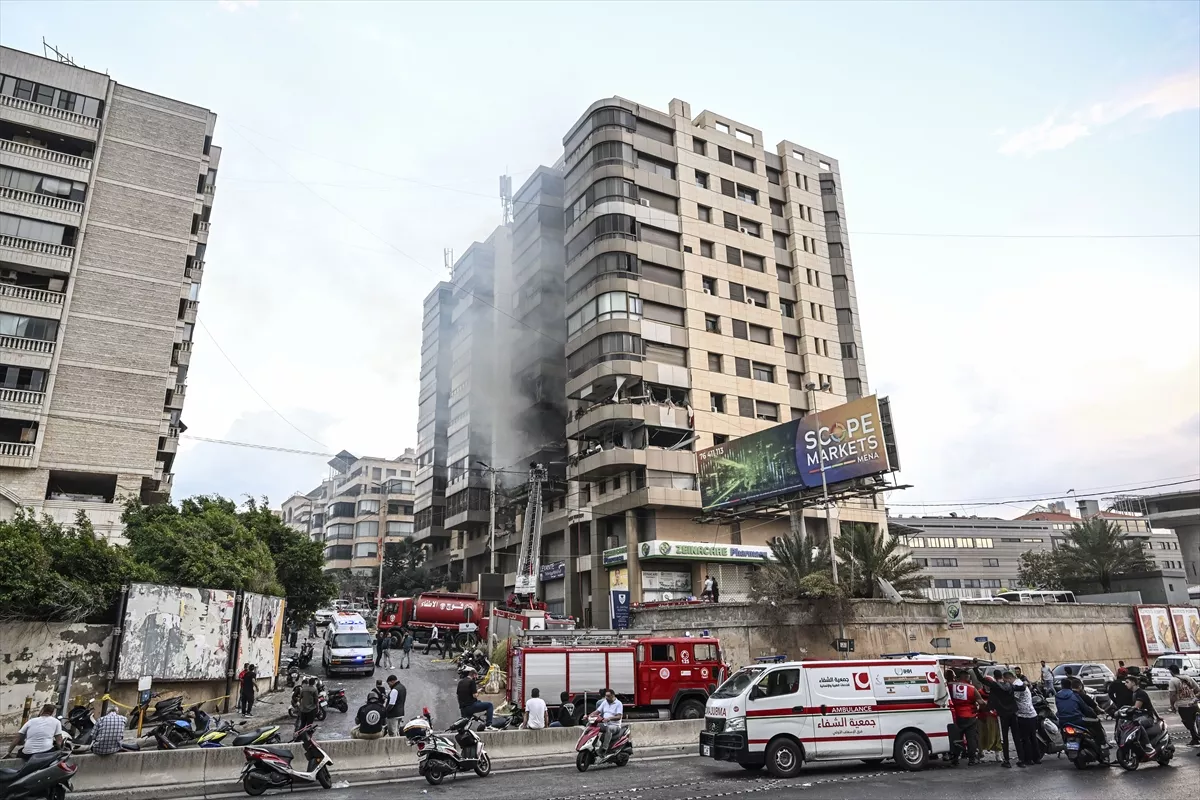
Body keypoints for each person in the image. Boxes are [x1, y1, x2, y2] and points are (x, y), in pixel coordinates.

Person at [976, 667, 1021, 767]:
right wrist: (1025, 683)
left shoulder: (995, 685)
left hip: (1003, 714)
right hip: (1013, 713)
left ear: (995, 677)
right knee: (1016, 737)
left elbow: (981, 679)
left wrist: (975, 668)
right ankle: (1021, 760)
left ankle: (1007, 761)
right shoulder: (1009, 685)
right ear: (1002, 676)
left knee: (1004, 738)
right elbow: (1022, 687)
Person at [947, 669, 981, 765]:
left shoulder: (950, 686)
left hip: (956, 716)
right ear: (966, 677)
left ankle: (955, 758)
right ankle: (972, 760)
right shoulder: (971, 688)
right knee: (971, 739)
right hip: (970, 716)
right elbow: (981, 702)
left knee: (957, 738)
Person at [1125, 674, 1162, 756]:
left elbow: (1136, 707)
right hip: (1140, 717)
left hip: (1147, 718)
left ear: (1133, 683)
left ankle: (1148, 745)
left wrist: (1157, 717)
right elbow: (1151, 706)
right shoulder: (1134, 693)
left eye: (1127, 682)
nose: (1125, 684)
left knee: (1137, 723)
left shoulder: (1140, 693)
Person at [1167, 664, 1199, 746]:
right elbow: (1197, 689)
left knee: (1188, 723)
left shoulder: (1173, 680)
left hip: (1183, 705)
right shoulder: (1187, 678)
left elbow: (1172, 695)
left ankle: (1195, 738)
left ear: (1171, 671)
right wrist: (1194, 698)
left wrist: (1172, 705)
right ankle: (1195, 738)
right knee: (1196, 722)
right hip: (1194, 704)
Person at [1012, 675, 1040, 765]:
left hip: (1023, 715)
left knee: (1025, 739)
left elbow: (1014, 699)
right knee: (1033, 737)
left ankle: (1028, 759)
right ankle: (1037, 758)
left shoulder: (1016, 685)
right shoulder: (1021, 683)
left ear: (1009, 679)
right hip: (1032, 714)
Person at [596, 688, 624, 755]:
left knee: (609, 728)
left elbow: (619, 716)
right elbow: (597, 711)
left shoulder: (618, 704)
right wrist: (589, 716)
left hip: (615, 726)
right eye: (606, 696)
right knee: (591, 725)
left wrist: (609, 718)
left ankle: (604, 749)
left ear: (613, 696)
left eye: (608, 696)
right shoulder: (605, 702)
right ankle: (592, 744)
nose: (606, 698)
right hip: (605, 724)